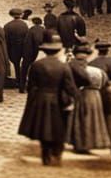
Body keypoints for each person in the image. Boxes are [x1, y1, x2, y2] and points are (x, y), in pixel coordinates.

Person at [18, 35, 75, 166]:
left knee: (44, 126)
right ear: (58, 50)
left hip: (41, 99)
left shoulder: (37, 65)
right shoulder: (63, 67)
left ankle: (45, 153)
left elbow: (31, 86)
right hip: (58, 100)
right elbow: (69, 87)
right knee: (58, 127)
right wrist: (73, 99)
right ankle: (57, 152)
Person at [69, 43, 110, 155]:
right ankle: (91, 142)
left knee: (80, 118)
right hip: (95, 96)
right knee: (93, 119)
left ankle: (80, 143)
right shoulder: (97, 71)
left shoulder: (74, 67)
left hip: (82, 94)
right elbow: (106, 83)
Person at [4, 8, 31, 93]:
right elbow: (27, 37)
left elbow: (6, 39)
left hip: (13, 48)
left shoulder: (7, 25)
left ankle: (17, 79)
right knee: (23, 64)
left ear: (11, 15)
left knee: (15, 63)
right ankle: (22, 80)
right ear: (21, 15)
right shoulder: (25, 25)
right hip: (23, 47)